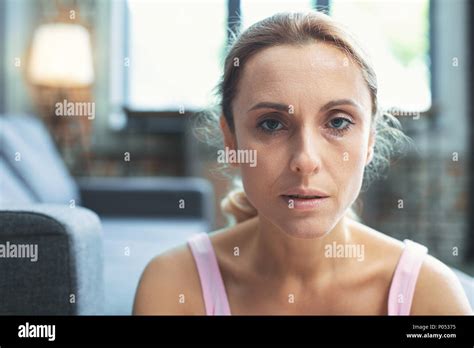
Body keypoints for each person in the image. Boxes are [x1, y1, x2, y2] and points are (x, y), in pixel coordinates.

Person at [133, 11, 472, 315]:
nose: (305, 160)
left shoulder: (427, 295)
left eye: (338, 122)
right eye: (271, 124)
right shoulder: (173, 285)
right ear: (231, 140)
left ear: (370, 139)